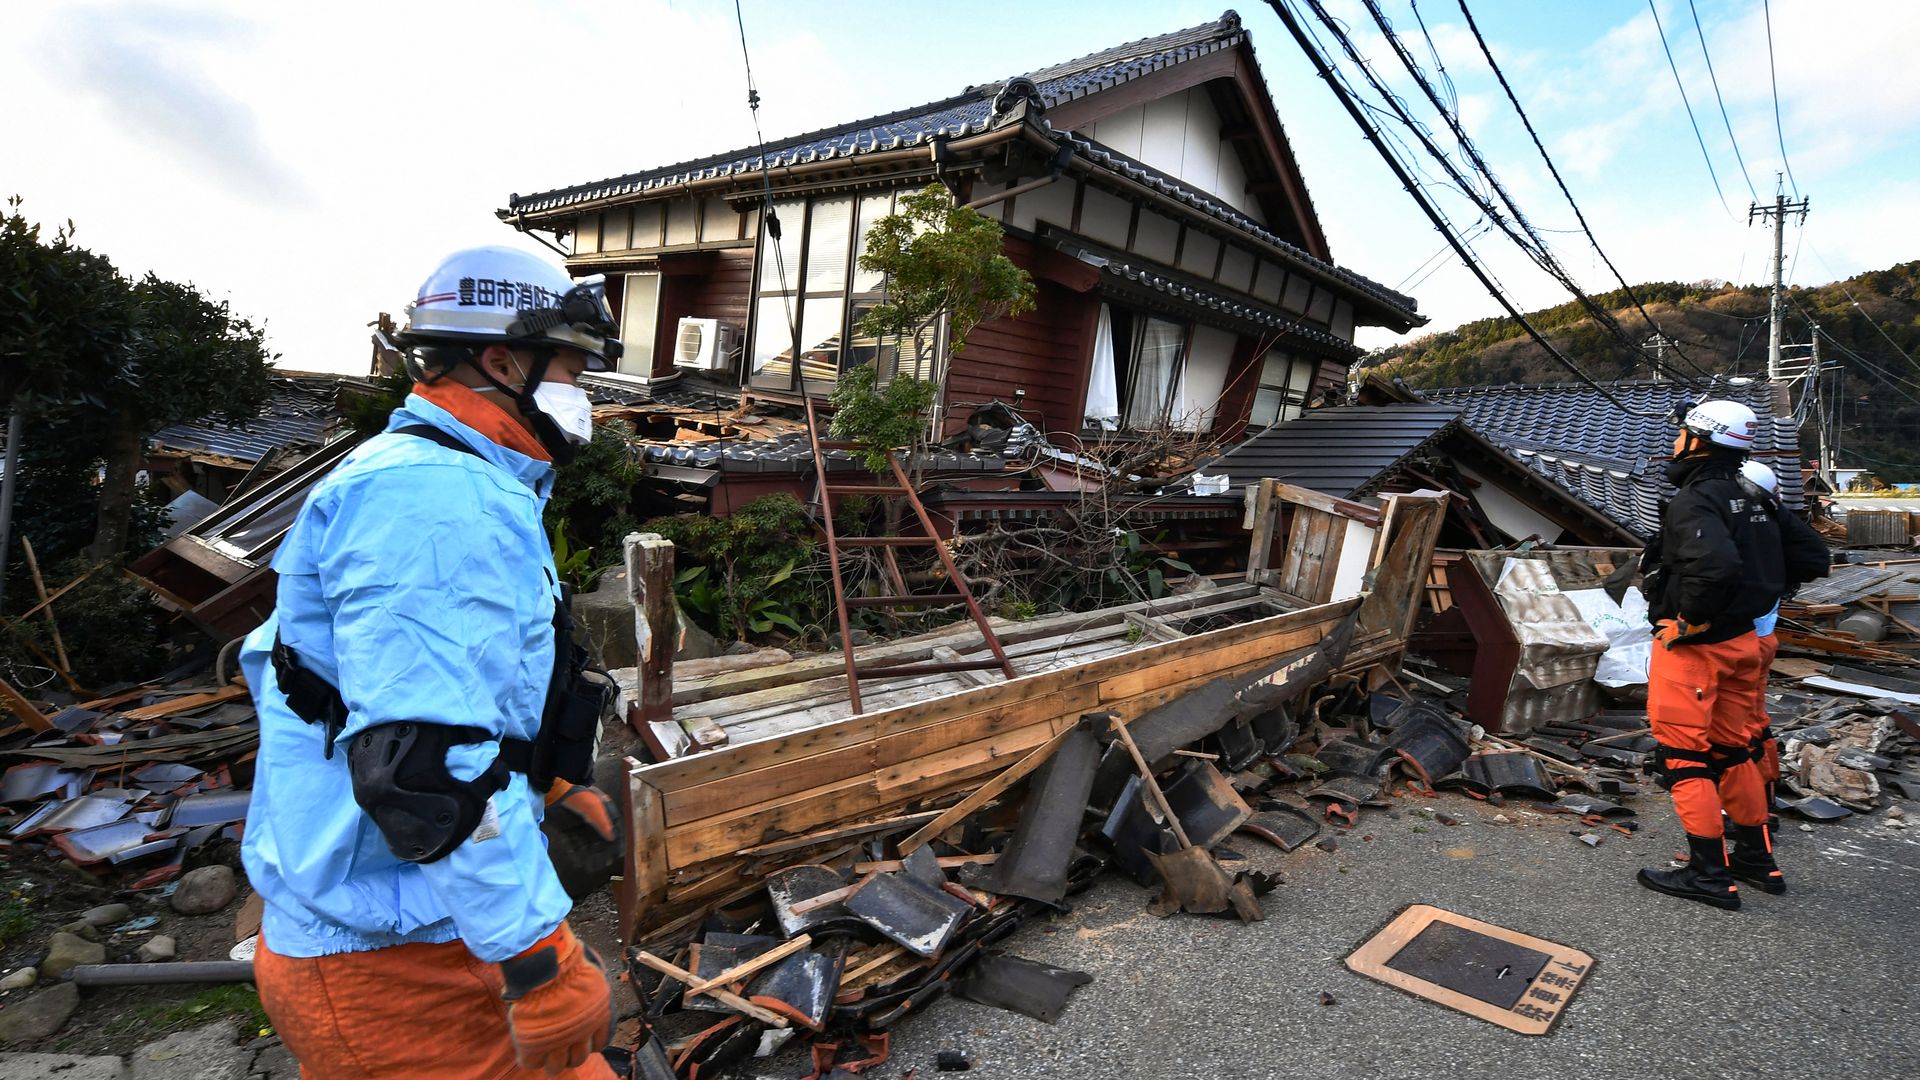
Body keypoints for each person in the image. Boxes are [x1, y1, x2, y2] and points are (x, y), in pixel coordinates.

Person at [239, 246, 625, 1078]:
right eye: (572, 367)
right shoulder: (436, 501)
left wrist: (549, 778)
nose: (583, 392)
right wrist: (540, 960)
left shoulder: (448, 479)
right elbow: (426, 768)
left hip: (420, 928)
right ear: (503, 360)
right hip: (391, 966)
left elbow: (442, 692)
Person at [1635, 400, 1787, 911]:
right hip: (1745, 641)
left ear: (1699, 440)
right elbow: (1808, 556)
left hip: (1698, 649)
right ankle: (1755, 857)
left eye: (1681, 433)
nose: (1675, 441)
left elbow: (1715, 565)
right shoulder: (1751, 498)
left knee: (1683, 756)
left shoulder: (1696, 499)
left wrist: (1690, 621)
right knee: (1735, 749)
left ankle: (1707, 874)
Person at [1728, 457, 1831, 892]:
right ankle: (1764, 806)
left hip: (1737, 639)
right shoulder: (1777, 521)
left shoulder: (1751, 523)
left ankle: (1747, 825)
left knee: (1729, 738)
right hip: (1763, 639)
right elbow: (1814, 558)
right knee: (1754, 726)